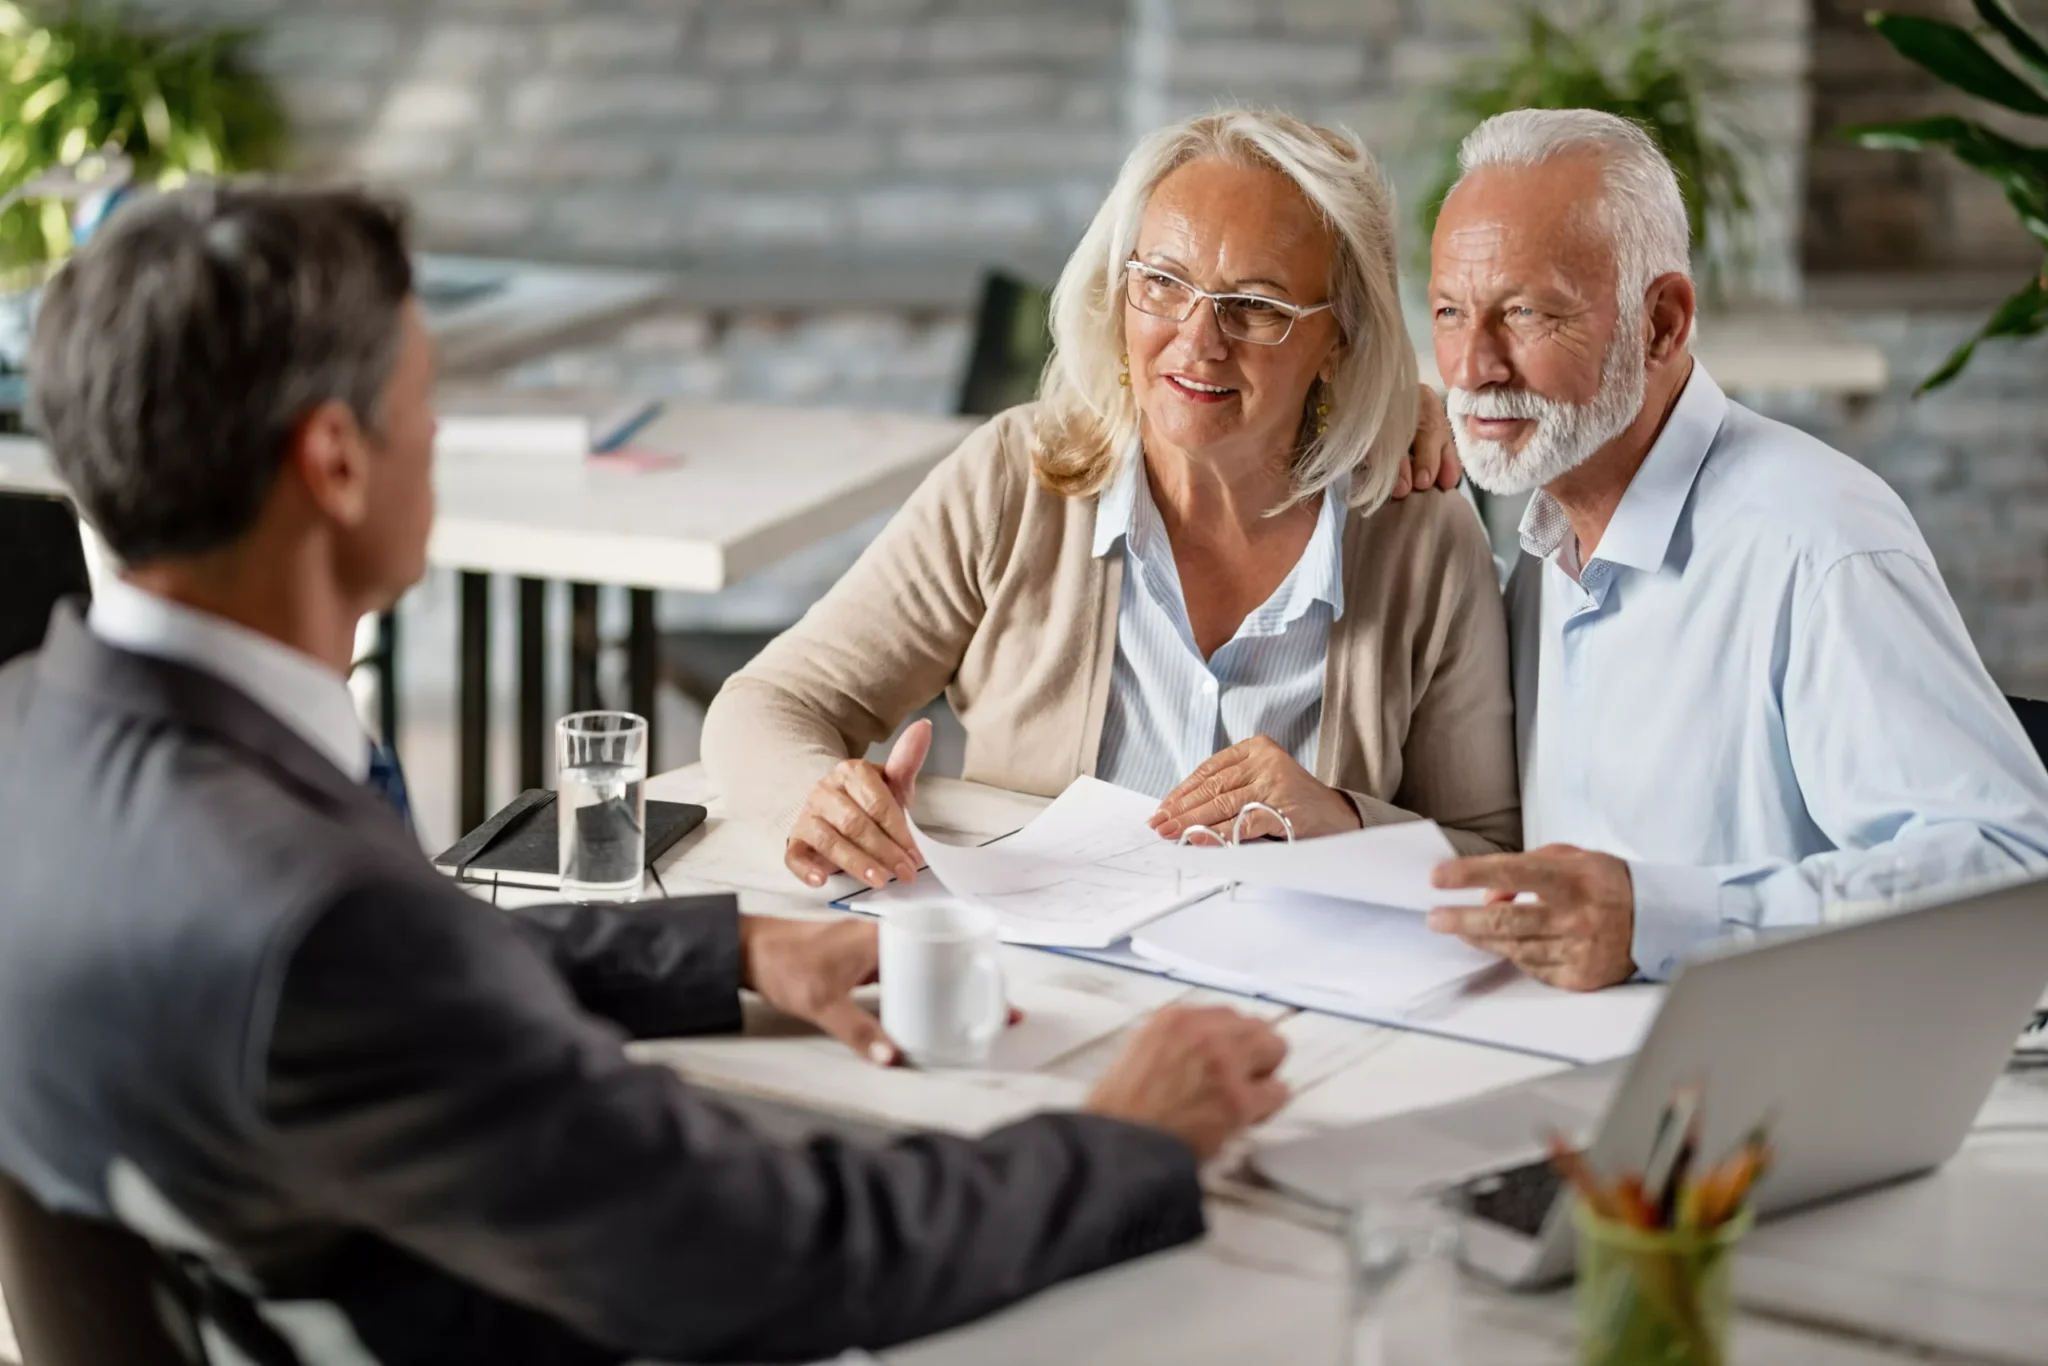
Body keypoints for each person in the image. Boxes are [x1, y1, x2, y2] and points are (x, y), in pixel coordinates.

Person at [0, 184, 1296, 1366]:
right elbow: (769, 1256)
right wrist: (1123, 1137)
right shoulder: (326, 920)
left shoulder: (38, 736)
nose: (439, 440)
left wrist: (726, 946)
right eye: (427, 404)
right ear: (337, 461)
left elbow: (355, 988)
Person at [703, 108, 1518, 893]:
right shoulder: (1014, 482)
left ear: (1339, 336)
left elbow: (1489, 849)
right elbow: (770, 704)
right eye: (1162, 283)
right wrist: (819, 799)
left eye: (1258, 306)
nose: (1198, 341)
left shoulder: (1420, 529)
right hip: (1041, 982)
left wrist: (1342, 819)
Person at [1421, 108, 2048, 991]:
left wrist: (1667, 920)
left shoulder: (1820, 542)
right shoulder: (1545, 537)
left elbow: (2012, 867)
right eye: (1450, 311)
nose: (1472, 365)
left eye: (1525, 312)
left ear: (1664, 323)